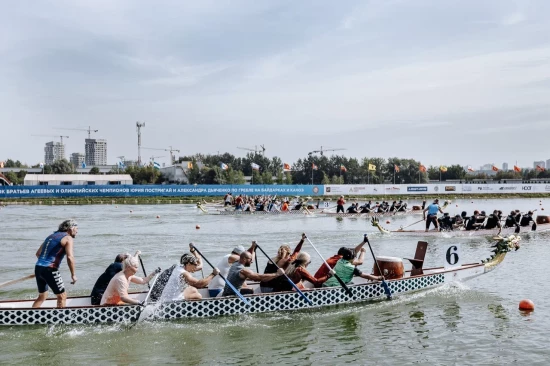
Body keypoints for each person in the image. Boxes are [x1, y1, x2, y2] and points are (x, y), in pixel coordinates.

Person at [32, 219, 79, 308]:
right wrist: (73, 275)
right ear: (71, 228)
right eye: (76, 228)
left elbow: (38, 253)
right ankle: (61, 320)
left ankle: (31, 315)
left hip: (38, 267)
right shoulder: (68, 238)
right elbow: (70, 257)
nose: (77, 231)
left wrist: (42, 269)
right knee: (62, 296)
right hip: (50, 269)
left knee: (43, 296)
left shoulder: (51, 236)